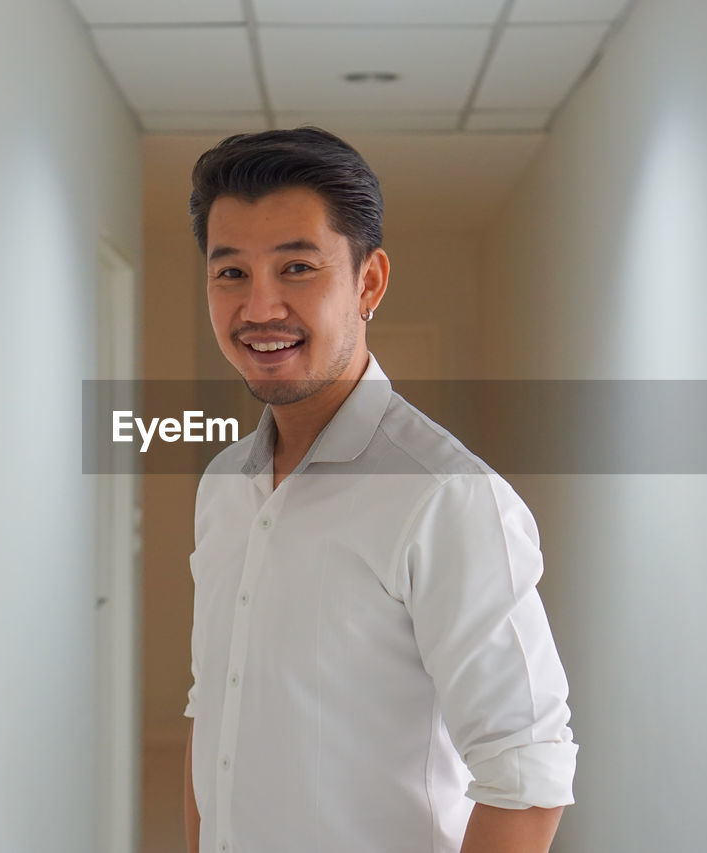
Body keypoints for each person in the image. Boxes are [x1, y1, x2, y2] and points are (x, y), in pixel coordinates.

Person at [181, 126, 577, 853]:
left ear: (369, 282)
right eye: (230, 272)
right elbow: (214, 709)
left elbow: (528, 773)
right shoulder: (223, 487)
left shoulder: (443, 497)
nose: (259, 307)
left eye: (297, 267)